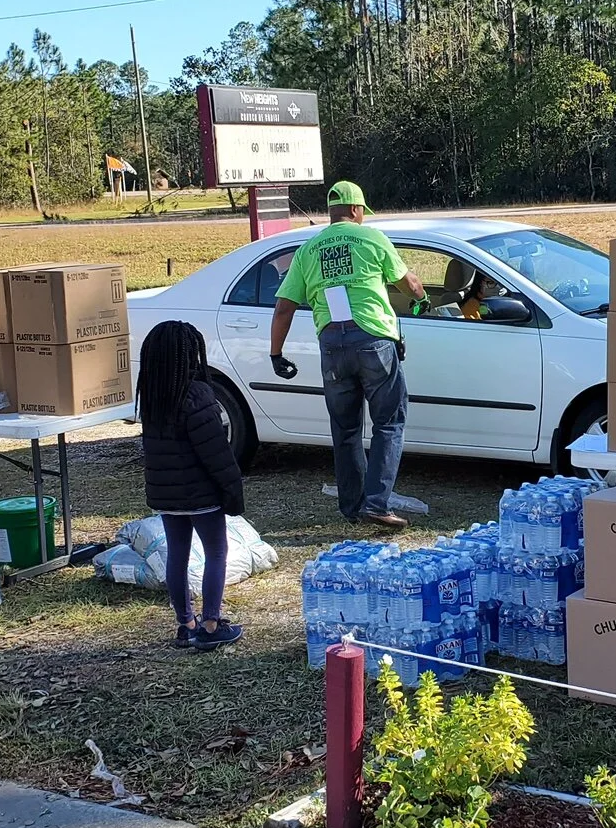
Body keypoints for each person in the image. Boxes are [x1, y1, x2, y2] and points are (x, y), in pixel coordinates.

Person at [270, 181, 426, 531]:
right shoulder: (372, 239)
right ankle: (376, 503)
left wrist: (275, 354)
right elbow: (409, 284)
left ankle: (352, 507)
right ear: (357, 210)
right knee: (388, 422)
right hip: (374, 342)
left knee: (345, 429)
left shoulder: (308, 250)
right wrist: (419, 298)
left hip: (333, 347)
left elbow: (284, 308)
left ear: (332, 212)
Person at [138, 320, 246, 651]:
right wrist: (232, 490)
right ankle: (211, 625)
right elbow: (217, 453)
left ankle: (185, 624)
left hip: (167, 495)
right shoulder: (198, 395)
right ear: (190, 356)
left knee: (178, 556)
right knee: (216, 552)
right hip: (201, 494)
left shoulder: (152, 396)